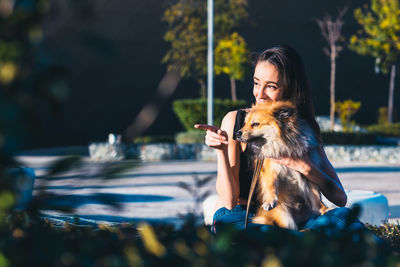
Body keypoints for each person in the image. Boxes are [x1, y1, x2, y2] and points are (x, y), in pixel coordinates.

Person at [195, 45, 365, 235]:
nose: (259, 93)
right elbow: (228, 201)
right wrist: (221, 151)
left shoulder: (301, 127)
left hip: (293, 219)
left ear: (289, 88)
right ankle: (298, 243)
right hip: (245, 218)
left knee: (342, 217)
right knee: (228, 223)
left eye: (271, 86)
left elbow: (340, 198)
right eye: (256, 83)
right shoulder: (236, 121)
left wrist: (304, 166)